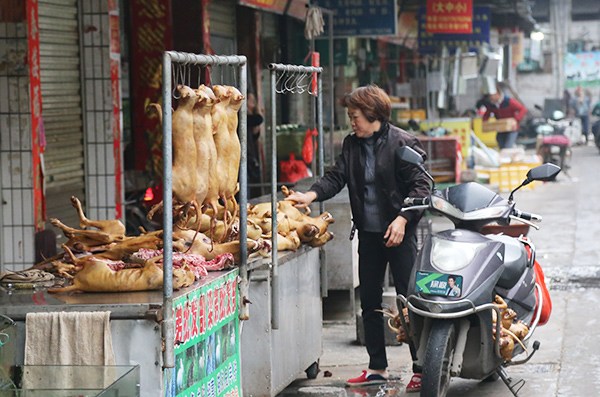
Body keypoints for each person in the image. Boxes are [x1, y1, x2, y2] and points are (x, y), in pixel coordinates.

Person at [286, 85, 431, 392]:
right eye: (350, 116)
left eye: (355, 116)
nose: (352, 121)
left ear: (373, 114)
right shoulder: (352, 144)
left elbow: (422, 188)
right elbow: (337, 177)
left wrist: (403, 219)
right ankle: (377, 367)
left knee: (409, 303)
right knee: (370, 303)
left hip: (400, 234)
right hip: (368, 234)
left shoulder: (402, 143)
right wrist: (310, 194)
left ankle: (420, 366)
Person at [482, 84, 527, 149]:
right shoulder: (492, 105)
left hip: (511, 129)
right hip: (501, 129)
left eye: (491, 96)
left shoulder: (509, 101)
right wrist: (485, 122)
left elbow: (523, 109)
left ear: (497, 93)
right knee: (501, 145)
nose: (490, 98)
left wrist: (516, 120)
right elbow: (487, 114)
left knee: (508, 147)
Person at [246, 93, 264, 198]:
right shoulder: (241, 115)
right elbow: (259, 119)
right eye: (251, 101)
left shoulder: (249, 116)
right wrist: (258, 110)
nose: (253, 104)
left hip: (249, 153)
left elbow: (254, 137)